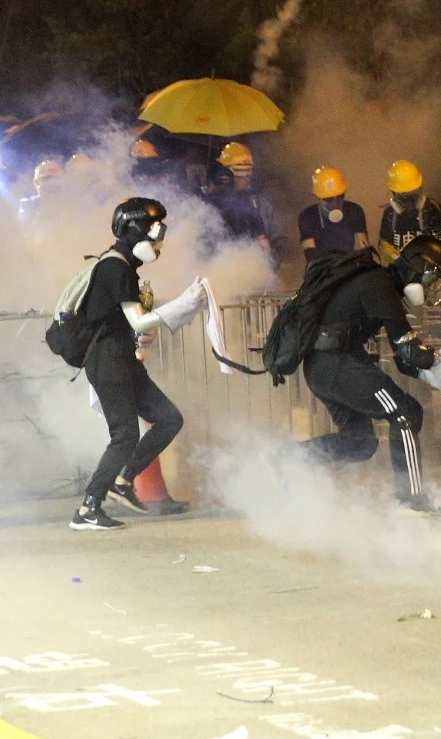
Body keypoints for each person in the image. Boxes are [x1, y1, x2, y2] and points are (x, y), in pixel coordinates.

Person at [298, 235, 441, 513]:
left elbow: (404, 359)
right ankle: (410, 501)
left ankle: (285, 460)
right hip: (334, 363)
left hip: (326, 364)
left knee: (359, 442)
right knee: (405, 413)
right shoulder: (380, 285)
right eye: (429, 279)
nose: (430, 287)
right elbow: (411, 351)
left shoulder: (381, 285)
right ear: (415, 267)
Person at [72, 198, 207, 530]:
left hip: (121, 359)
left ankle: (122, 481)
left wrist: (185, 307)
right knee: (124, 435)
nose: (158, 238)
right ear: (133, 229)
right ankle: (88, 509)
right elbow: (139, 322)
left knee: (168, 418)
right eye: (153, 229)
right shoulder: (115, 267)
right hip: (107, 360)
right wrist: (185, 305)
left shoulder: (124, 267)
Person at [378, 159, 441, 263]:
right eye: (403, 194)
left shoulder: (432, 208)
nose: (408, 199)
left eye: (412, 193)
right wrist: (398, 261)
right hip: (403, 273)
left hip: (432, 268)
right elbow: (385, 244)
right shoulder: (390, 213)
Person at [299, 166, 369, 263]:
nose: (335, 203)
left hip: (350, 264)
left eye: (340, 196)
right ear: (318, 197)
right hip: (323, 268)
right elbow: (311, 255)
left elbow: (364, 247)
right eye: (329, 199)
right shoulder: (308, 216)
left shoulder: (354, 210)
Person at [217, 142, 276, 256]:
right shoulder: (211, 203)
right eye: (243, 175)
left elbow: (260, 236)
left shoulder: (249, 201)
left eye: (248, 174)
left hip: (244, 263)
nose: (247, 180)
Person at [17, 160, 63, 226]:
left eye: (55, 178)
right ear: (35, 183)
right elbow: (22, 230)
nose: (50, 183)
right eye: (45, 179)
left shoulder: (73, 203)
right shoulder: (28, 205)